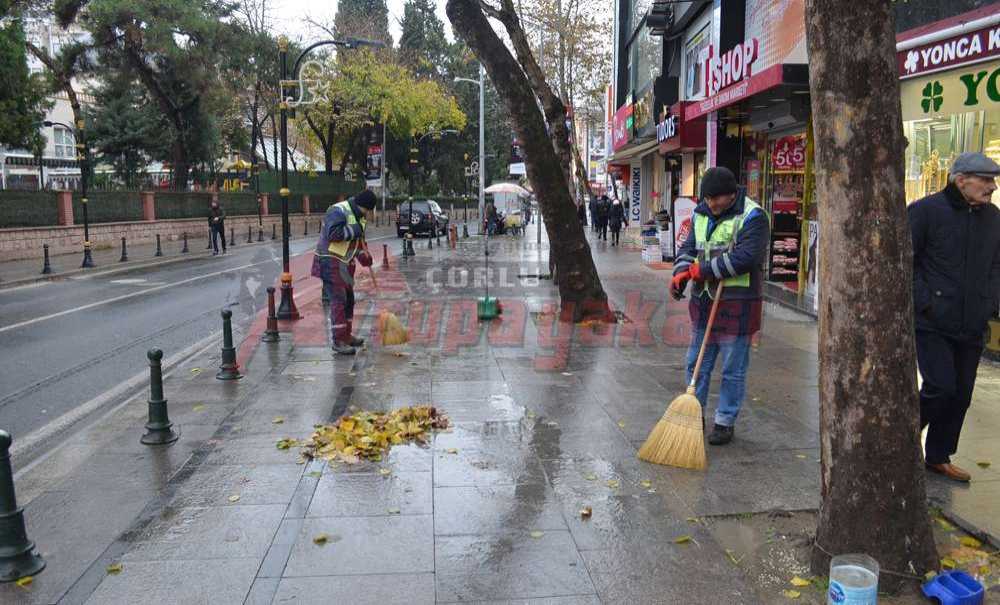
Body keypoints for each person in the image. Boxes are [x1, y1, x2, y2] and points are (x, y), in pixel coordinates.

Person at [908, 152, 1000, 482]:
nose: (992, 187)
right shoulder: (925, 211)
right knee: (940, 386)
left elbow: (996, 265)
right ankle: (901, 442)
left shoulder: (993, 218)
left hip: (972, 322)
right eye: (986, 180)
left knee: (961, 394)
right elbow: (908, 261)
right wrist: (925, 302)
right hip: (932, 321)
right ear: (961, 181)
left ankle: (938, 456)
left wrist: (991, 302)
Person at [670, 167, 769, 445]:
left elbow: (746, 257)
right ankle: (694, 415)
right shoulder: (701, 212)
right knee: (696, 364)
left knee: (732, 368)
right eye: (708, 198)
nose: (712, 204)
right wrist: (681, 273)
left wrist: (703, 271)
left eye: (717, 199)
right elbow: (688, 248)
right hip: (704, 302)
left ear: (732, 194)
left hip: (738, 303)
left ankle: (725, 421)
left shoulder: (753, 216)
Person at [312, 189, 376, 355]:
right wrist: (355, 229)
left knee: (349, 300)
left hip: (344, 264)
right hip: (330, 260)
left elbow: (358, 244)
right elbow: (334, 234)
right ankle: (339, 340)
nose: (368, 215)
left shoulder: (359, 218)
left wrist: (365, 258)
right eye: (368, 211)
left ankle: (346, 335)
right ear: (363, 206)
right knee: (339, 301)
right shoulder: (338, 210)